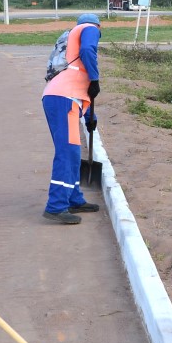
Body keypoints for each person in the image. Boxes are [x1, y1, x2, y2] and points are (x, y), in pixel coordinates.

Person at [42, 13, 103, 223]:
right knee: (67, 153)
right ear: (97, 25)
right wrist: (95, 78)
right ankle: (56, 206)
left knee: (73, 152)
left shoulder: (70, 40)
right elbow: (88, 50)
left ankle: (74, 199)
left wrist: (90, 117)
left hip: (61, 98)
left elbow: (79, 88)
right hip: (63, 99)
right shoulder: (90, 29)